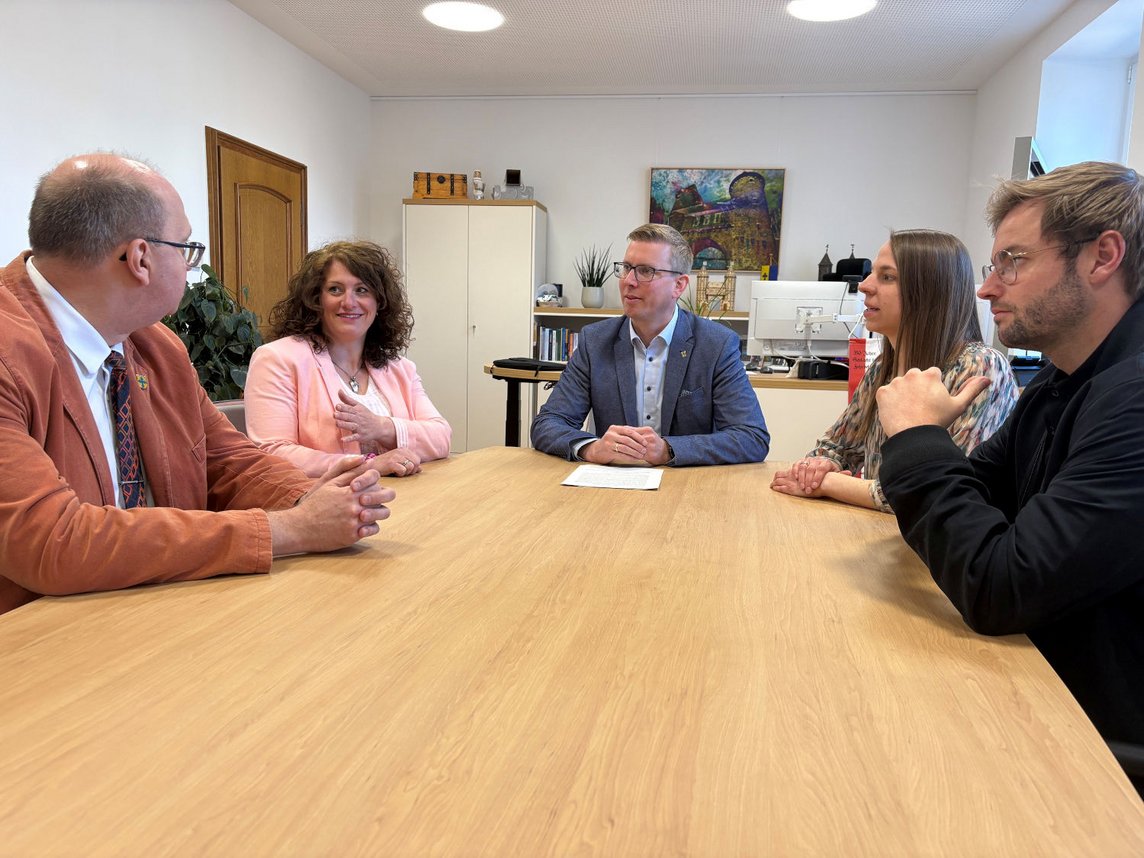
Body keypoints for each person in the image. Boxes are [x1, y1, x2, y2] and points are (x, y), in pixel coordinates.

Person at [0, 153, 394, 617]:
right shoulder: (10, 352)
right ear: (140, 258)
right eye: (186, 248)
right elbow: (52, 542)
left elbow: (229, 462)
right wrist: (288, 529)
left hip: (160, 614)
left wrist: (311, 498)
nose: (191, 267)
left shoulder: (156, 344)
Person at [874, 162, 1144, 794]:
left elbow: (1000, 585)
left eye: (1013, 261)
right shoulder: (1060, 379)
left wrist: (916, 437)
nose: (987, 288)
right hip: (1035, 681)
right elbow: (975, 501)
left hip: (1092, 744)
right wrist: (928, 455)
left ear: (1103, 256)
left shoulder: (1134, 399)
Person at [770, 230, 1017, 511]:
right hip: (885, 537)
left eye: (887, 277)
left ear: (930, 291)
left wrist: (828, 484)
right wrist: (819, 466)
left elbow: (934, 494)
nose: (864, 285)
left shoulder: (980, 368)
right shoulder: (881, 368)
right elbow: (834, 447)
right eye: (873, 274)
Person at [529, 223, 769, 466]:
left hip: (688, 488)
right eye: (626, 268)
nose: (629, 281)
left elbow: (751, 437)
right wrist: (592, 448)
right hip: (612, 486)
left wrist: (668, 450)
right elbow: (548, 423)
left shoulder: (715, 345)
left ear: (679, 285)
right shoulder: (596, 341)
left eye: (645, 271)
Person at [245, 241, 451, 478]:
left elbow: (441, 437)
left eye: (362, 290)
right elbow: (273, 454)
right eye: (335, 289)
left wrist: (382, 427)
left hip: (403, 498)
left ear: (379, 302)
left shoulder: (399, 368)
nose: (349, 302)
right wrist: (368, 465)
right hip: (322, 505)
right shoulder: (277, 359)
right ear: (315, 299)